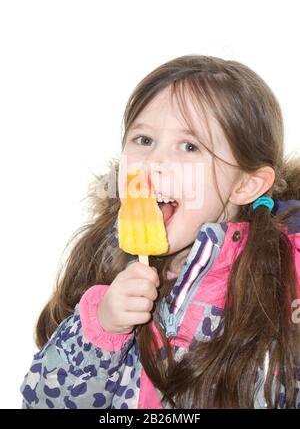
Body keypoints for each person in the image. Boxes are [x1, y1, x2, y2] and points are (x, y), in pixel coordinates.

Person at [20, 55, 300, 409]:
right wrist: (100, 328)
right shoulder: (103, 263)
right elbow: (43, 401)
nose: (152, 163)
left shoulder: (286, 280)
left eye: (189, 146)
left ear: (246, 184)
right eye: (143, 139)